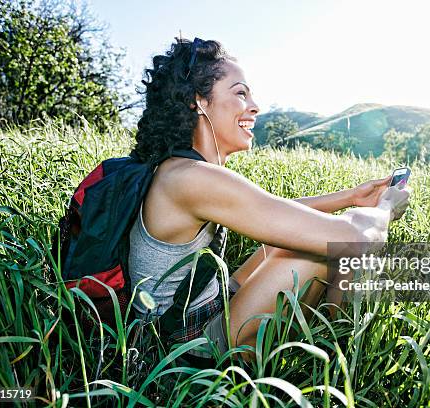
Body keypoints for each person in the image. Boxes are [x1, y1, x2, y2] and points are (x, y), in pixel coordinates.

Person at [128, 37, 410, 362]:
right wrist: (386, 207)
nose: (254, 106)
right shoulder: (191, 178)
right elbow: (356, 238)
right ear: (199, 102)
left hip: (196, 307)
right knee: (324, 248)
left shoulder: (180, 168)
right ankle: (336, 357)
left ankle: (330, 345)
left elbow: (276, 213)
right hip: (183, 349)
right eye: (240, 93)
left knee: (291, 240)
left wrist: (351, 197)